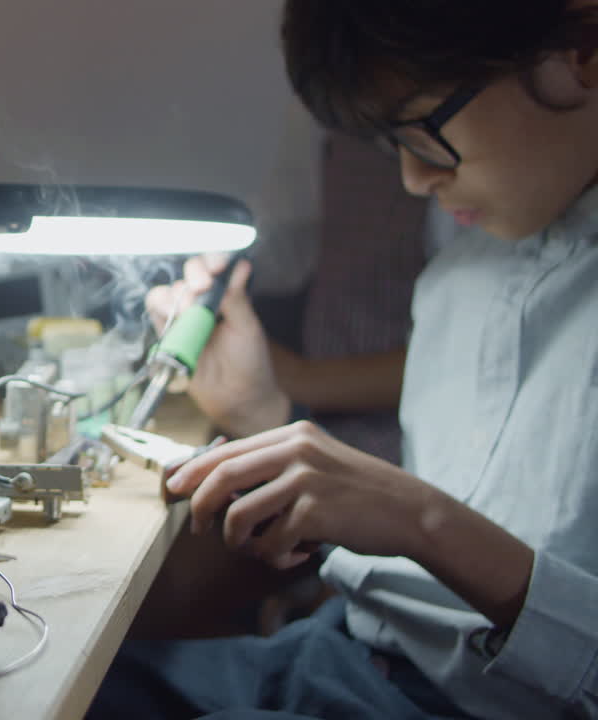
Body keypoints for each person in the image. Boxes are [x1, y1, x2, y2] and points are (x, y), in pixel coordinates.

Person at [90, 1, 598, 718]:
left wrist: (422, 518)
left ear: (580, 49)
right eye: (386, 142)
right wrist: (264, 411)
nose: (415, 179)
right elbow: (413, 569)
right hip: (341, 657)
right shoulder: (463, 272)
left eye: (422, 129)